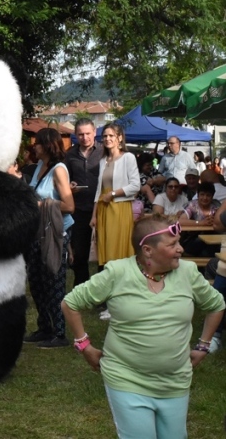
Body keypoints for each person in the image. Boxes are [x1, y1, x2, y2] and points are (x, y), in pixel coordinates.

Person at [62, 215, 224, 439]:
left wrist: (203, 345)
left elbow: (216, 304)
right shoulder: (117, 273)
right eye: (172, 244)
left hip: (175, 380)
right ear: (148, 250)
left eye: (179, 242)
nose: (180, 249)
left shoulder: (187, 273)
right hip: (126, 379)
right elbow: (70, 304)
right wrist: (84, 345)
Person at [24, 128, 74, 348]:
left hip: (55, 231)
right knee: (36, 281)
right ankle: (45, 327)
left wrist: (40, 205)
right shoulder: (38, 168)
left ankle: (60, 333)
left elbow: (69, 205)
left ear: (48, 145)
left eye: (38, 143)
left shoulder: (59, 170)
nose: (34, 146)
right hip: (38, 231)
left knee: (54, 280)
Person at [91, 123, 140, 320]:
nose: (108, 139)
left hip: (119, 209)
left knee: (118, 256)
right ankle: (112, 301)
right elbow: (98, 191)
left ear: (120, 138)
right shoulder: (103, 160)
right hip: (103, 211)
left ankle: (120, 303)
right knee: (107, 257)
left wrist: (112, 194)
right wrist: (94, 215)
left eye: (111, 135)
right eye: (105, 136)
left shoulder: (128, 158)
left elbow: (135, 185)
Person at [64, 118, 103, 287]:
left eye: (88, 133)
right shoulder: (70, 154)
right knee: (79, 253)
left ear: (94, 132)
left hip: (102, 207)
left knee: (104, 252)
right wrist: (70, 186)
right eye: (80, 134)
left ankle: (102, 289)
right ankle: (82, 287)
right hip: (78, 208)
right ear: (75, 135)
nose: (84, 137)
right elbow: (64, 178)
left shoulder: (104, 151)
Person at [177, 182, 221, 257]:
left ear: (212, 196)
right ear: (198, 195)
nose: (205, 198)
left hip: (212, 239)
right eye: (202, 194)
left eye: (208, 195)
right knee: (201, 242)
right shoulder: (192, 205)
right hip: (192, 239)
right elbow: (180, 221)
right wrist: (201, 223)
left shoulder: (216, 205)